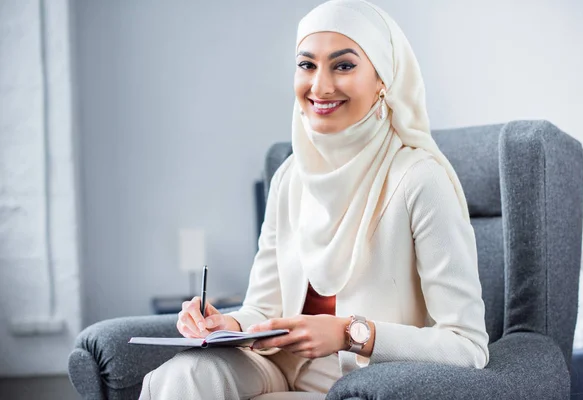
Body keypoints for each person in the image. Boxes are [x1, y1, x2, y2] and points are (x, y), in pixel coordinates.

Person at [139, 0, 489, 398]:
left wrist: (351, 333)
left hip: (364, 384)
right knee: (184, 376)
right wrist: (229, 327)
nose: (320, 86)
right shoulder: (290, 177)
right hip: (278, 365)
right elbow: (263, 309)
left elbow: (467, 345)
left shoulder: (420, 180)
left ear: (383, 79)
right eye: (307, 65)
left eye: (343, 65)